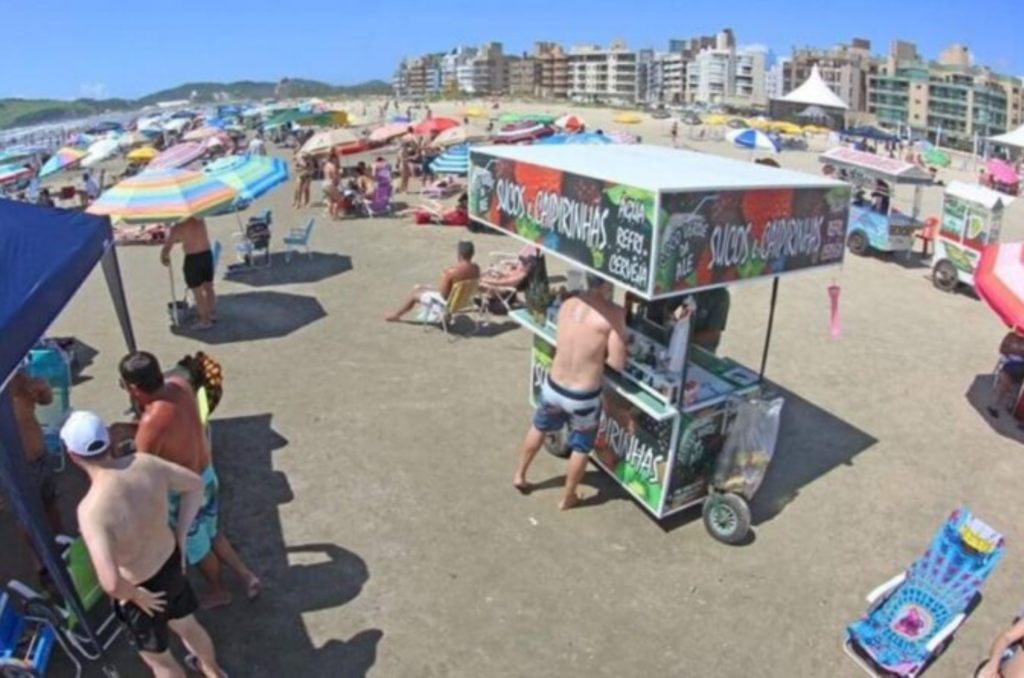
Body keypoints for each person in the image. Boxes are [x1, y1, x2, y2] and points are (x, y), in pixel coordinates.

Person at [61, 411, 228, 678]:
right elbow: (195, 484)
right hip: (170, 563)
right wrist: (182, 535)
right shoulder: (145, 464)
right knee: (188, 626)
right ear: (110, 441)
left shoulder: (91, 511)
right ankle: (214, 672)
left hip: (139, 590)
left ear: (72, 456)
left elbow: (112, 583)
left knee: (161, 661)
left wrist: (137, 596)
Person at [113, 352, 261, 609]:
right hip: (207, 475)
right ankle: (246, 575)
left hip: (183, 493)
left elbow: (144, 469)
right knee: (214, 532)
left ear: (133, 388)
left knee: (198, 548)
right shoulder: (181, 386)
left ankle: (218, 590)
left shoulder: (150, 425)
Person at [513, 275, 627, 510]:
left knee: (539, 427)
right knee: (581, 447)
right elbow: (617, 363)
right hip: (582, 396)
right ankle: (568, 497)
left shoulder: (567, 303)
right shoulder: (613, 314)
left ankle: (520, 474)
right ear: (607, 285)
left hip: (554, 385)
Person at [2, 369, 63, 579]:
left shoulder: (18, 377)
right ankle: (39, 562)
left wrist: (44, 388)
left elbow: (45, 400)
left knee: (50, 502)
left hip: (40, 456)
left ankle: (61, 543)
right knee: (26, 518)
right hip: (15, 467)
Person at [385, 240, 480, 322]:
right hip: (464, 302)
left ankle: (396, 315)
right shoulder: (476, 268)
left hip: (449, 304)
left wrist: (442, 278)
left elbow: (443, 295)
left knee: (415, 294)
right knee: (424, 288)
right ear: (472, 253)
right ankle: (445, 314)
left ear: (459, 254)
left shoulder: (450, 272)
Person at [160, 218, 215, 330]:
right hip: (207, 254)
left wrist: (163, 257)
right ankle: (209, 314)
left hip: (193, 258)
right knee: (208, 287)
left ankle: (205, 320)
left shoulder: (178, 227)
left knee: (197, 291)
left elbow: (167, 247)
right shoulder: (200, 220)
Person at [988, 328, 1024, 419]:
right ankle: (994, 405)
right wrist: (1017, 351)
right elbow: (1003, 349)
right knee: (1006, 380)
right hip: (1010, 363)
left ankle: (1013, 407)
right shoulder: (1011, 336)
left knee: (1015, 378)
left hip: (1021, 366)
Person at [323, 151, 343, 220]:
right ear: (333, 158)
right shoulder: (333, 166)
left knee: (330, 200)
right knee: (338, 200)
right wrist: (339, 173)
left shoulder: (326, 165)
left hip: (325, 183)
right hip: (330, 183)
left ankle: (332, 216)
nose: (337, 159)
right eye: (337, 158)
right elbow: (335, 178)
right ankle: (335, 216)